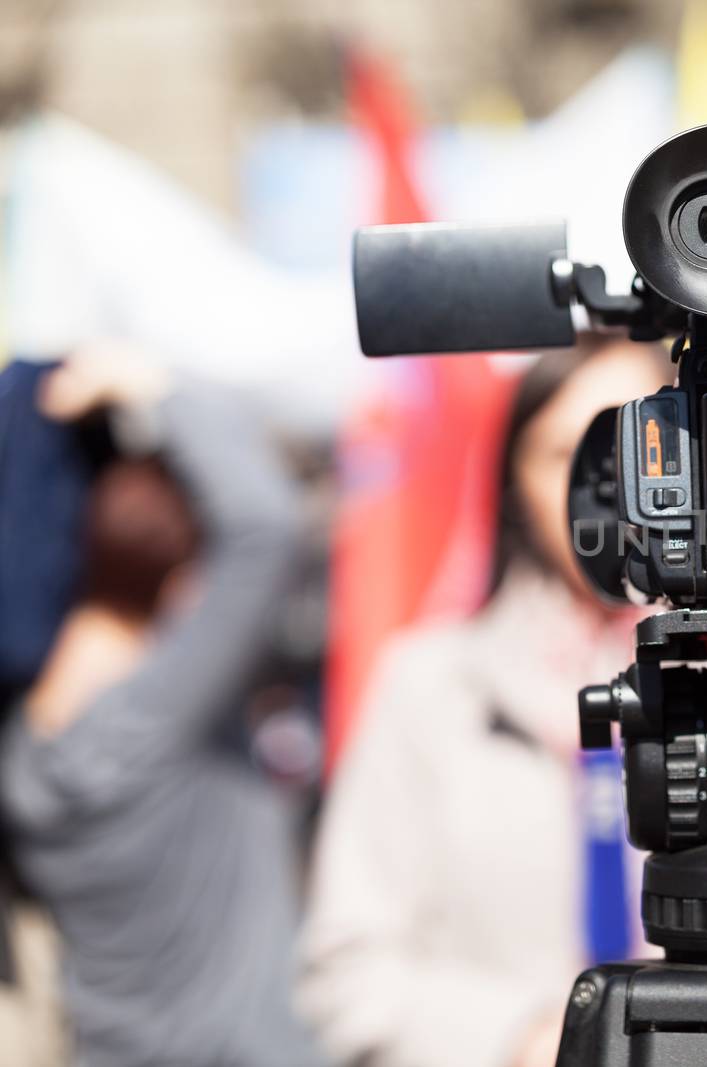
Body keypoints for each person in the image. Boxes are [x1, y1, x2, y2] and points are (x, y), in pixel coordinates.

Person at [297, 341, 670, 1067]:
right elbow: (348, 972)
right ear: (514, 483)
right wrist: (526, 1041)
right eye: (566, 453)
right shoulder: (430, 686)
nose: (606, 486)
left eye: (639, 448)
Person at [0, 350, 323, 1066]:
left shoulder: (22, 747)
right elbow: (265, 527)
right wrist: (154, 385)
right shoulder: (157, 713)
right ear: (179, 578)